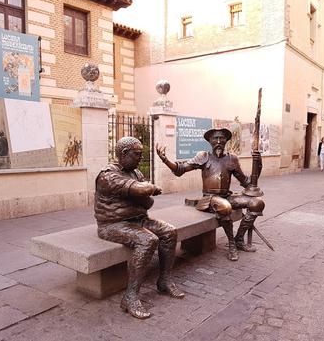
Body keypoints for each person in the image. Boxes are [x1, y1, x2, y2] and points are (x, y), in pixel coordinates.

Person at [95, 136, 184, 319]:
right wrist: (149, 188)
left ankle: (164, 280)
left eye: (141, 154)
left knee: (169, 232)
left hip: (139, 220)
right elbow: (143, 191)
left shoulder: (136, 173)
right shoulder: (108, 175)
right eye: (137, 154)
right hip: (113, 225)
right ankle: (130, 296)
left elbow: (148, 203)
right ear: (124, 154)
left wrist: (145, 190)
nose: (140, 158)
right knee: (148, 240)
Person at [156, 128, 265, 262]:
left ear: (226, 141)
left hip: (226, 196)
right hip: (209, 199)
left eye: (222, 138)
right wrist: (165, 160)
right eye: (215, 138)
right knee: (225, 207)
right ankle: (231, 244)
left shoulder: (232, 159)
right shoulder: (203, 157)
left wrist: (258, 164)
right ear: (210, 141)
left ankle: (239, 239)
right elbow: (181, 169)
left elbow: (247, 183)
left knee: (257, 203)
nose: (218, 141)